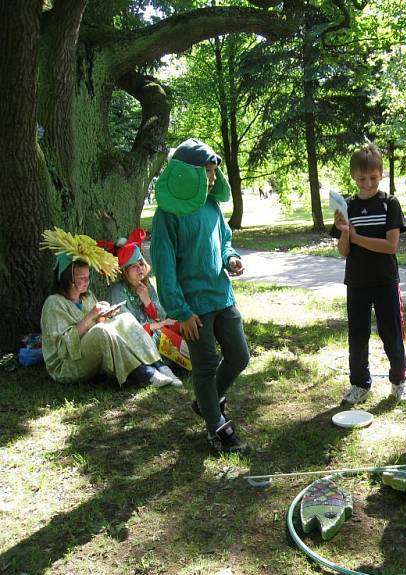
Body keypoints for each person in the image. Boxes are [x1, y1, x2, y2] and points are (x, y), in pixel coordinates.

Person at [150, 138, 250, 453]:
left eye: (213, 171)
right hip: (193, 308)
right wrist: (180, 311)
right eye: (206, 171)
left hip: (222, 296)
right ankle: (216, 427)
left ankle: (207, 403)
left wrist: (230, 257)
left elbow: (223, 241)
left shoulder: (211, 205)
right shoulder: (167, 215)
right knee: (205, 367)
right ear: (186, 173)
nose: (211, 178)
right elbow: (164, 270)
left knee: (239, 356)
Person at [40, 230, 176, 389]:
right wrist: (92, 316)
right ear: (67, 279)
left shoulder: (87, 296)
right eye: (81, 279)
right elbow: (63, 348)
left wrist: (106, 315)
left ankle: (157, 365)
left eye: (87, 277)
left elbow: (99, 325)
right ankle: (143, 373)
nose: (86, 283)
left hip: (89, 354)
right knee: (101, 332)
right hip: (66, 364)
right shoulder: (54, 304)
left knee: (125, 319)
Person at [331, 143, 406, 405]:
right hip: (357, 282)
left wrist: (356, 236)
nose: (367, 184)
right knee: (357, 336)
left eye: (373, 178)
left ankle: (399, 381)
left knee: (392, 334)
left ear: (382, 174)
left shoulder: (390, 203)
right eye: (362, 178)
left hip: (386, 281)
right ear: (353, 176)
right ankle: (360, 384)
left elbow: (390, 246)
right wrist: (344, 232)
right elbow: (344, 252)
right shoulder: (347, 206)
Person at [106, 239, 189, 376]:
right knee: (156, 339)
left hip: (155, 329)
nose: (139, 268)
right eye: (133, 266)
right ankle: (166, 365)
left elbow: (160, 315)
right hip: (137, 338)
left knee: (183, 325)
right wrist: (159, 325)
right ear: (124, 271)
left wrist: (147, 301)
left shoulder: (146, 285)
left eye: (140, 263)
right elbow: (129, 328)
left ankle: (196, 359)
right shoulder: (116, 291)